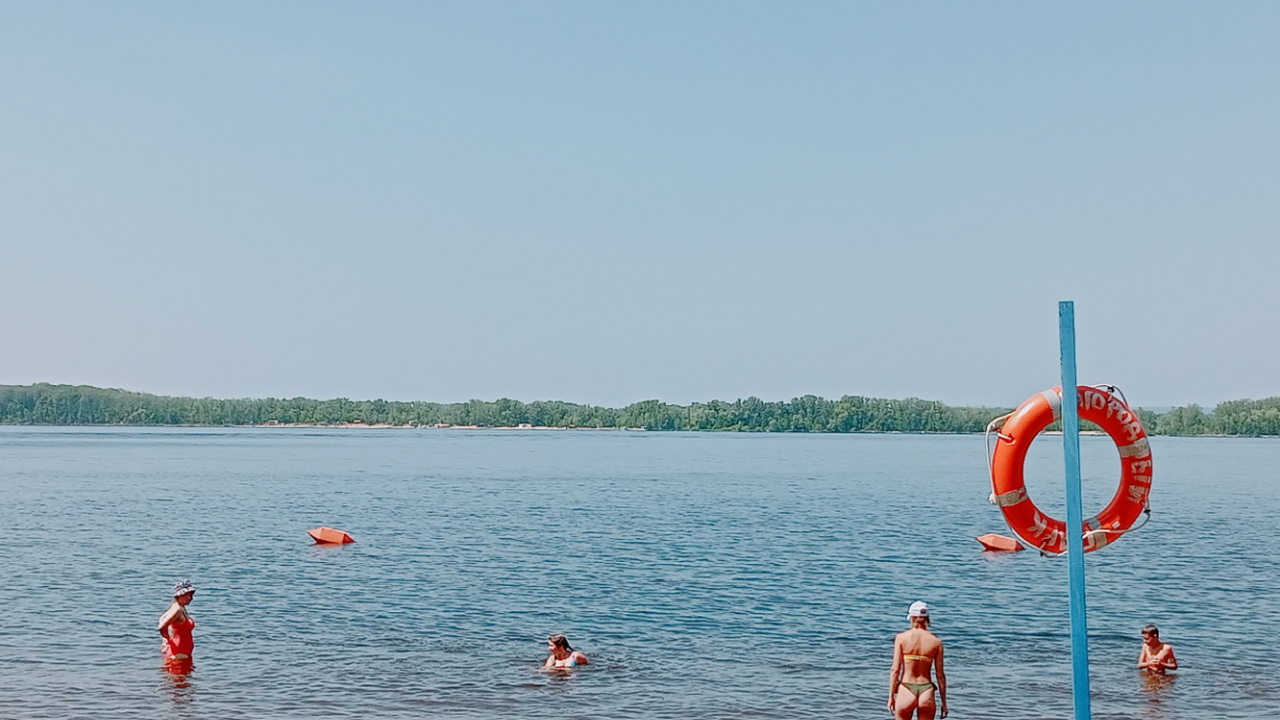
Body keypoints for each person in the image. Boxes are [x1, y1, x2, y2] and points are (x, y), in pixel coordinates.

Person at [889, 601, 947, 719]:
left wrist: (890, 697)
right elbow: (940, 675)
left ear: (912, 617)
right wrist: (944, 703)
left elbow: (895, 670)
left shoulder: (901, 638)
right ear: (927, 618)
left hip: (906, 689)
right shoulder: (936, 642)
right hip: (926, 690)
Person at [158, 580, 197, 663]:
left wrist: (166, 641)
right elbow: (162, 626)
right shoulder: (177, 610)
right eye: (189, 595)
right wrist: (167, 638)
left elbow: (162, 618)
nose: (191, 598)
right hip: (179, 654)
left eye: (192, 595)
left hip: (181, 653)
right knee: (180, 675)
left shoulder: (178, 607)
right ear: (181, 595)